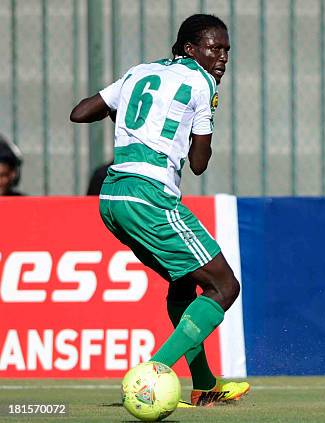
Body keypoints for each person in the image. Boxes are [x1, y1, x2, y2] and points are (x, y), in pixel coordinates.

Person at [70, 14, 249, 407]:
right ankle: (150, 376)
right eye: (213, 48)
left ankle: (204, 385)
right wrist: (198, 128)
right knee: (225, 286)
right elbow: (199, 163)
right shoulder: (202, 83)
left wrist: (121, 114)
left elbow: (81, 112)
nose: (221, 57)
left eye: (226, 50)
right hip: (151, 195)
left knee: (184, 283)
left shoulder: (140, 72)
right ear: (190, 49)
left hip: (113, 196)